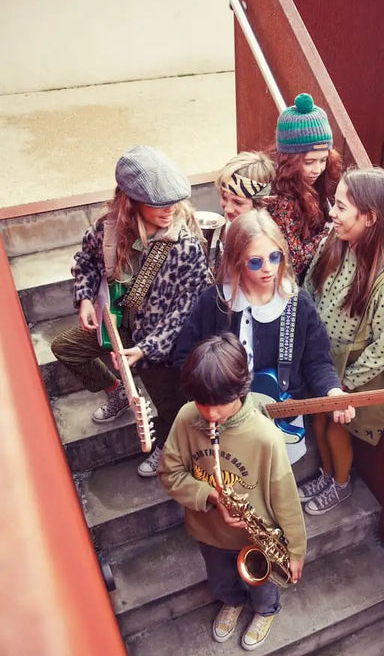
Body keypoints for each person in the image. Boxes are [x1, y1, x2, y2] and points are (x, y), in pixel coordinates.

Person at [51, 145, 211, 477]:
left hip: (156, 344)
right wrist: (84, 298)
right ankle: (118, 392)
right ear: (131, 200)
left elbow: (186, 310)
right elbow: (87, 262)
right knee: (65, 348)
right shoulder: (108, 228)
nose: (170, 210)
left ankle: (166, 445)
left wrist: (146, 349)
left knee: (170, 407)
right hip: (117, 322)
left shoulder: (185, 245)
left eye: (174, 201)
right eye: (158, 203)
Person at [159, 333, 307, 650]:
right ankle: (232, 601)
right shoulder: (187, 418)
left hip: (258, 541)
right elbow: (169, 473)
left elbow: (286, 498)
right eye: (203, 404)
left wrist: (295, 549)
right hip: (208, 530)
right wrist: (211, 496)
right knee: (221, 578)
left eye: (220, 405)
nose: (210, 415)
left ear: (241, 391)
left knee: (264, 586)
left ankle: (266, 610)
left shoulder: (265, 437)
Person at [173, 208, 354, 464]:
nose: (268, 269)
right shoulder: (214, 302)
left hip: (277, 422)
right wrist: (208, 403)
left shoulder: (297, 303)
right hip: (223, 423)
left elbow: (317, 361)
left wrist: (332, 391)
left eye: (275, 257)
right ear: (236, 261)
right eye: (255, 262)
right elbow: (185, 359)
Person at [301, 167, 384, 515]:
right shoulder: (332, 244)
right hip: (320, 361)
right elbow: (308, 290)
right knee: (317, 422)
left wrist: (345, 384)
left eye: (341, 207)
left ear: (370, 218)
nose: (331, 212)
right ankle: (326, 473)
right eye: (334, 203)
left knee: (336, 430)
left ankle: (341, 484)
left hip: (348, 374)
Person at [264, 93, 342, 283]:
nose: (318, 169)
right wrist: (329, 230)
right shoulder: (281, 199)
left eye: (323, 160)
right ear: (288, 161)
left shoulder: (317, 181)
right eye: (309, 162)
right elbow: (295, 260)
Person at [216, 150, 276, 225]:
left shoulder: (265, 235)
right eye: (224, 198)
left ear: (262, 204)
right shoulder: (228, 223)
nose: (228, 209)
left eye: (238, 202)